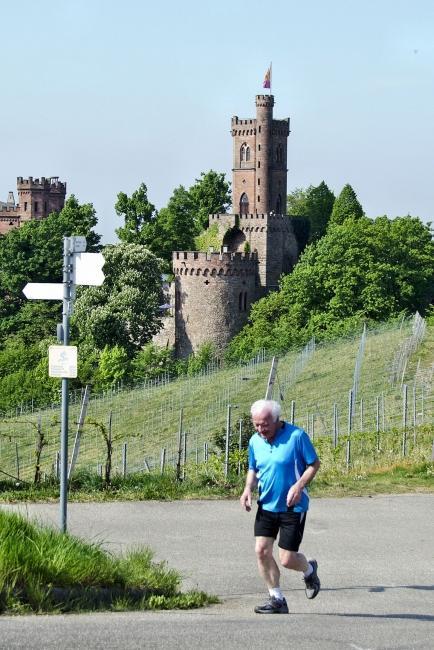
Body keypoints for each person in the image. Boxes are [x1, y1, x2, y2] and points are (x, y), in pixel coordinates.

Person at [240, 399, 321, 614]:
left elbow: (314, 464)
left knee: (287, 559)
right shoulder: (255, 441)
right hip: (266, 505)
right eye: (256, 424)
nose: (260, 429)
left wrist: (299, 485)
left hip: (292, 507)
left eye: (264, 424)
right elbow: (253, 468)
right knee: (261, 551)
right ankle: (277, 599)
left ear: (276, 420)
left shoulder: (297, 436)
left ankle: (309, 570)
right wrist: (248, 488)